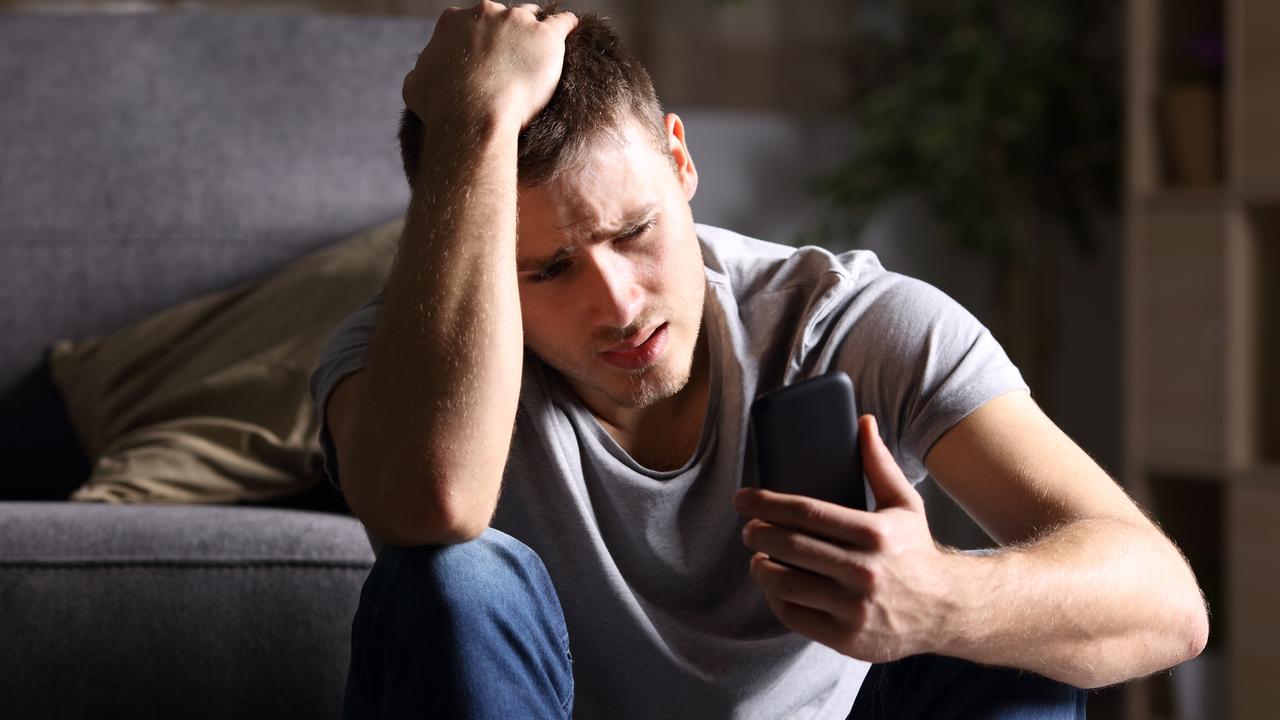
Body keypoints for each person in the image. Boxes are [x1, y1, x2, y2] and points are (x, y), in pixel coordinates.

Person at [309, 3, 1208, 718]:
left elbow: (1169, 604)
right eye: (546, 269)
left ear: (681, 160)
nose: (618, 304)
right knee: (450, 575)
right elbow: (433, 506)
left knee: (1018, 643)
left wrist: (938, 597)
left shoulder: (849, 321)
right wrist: (476, 119)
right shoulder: (391, 362)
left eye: (635, 231)